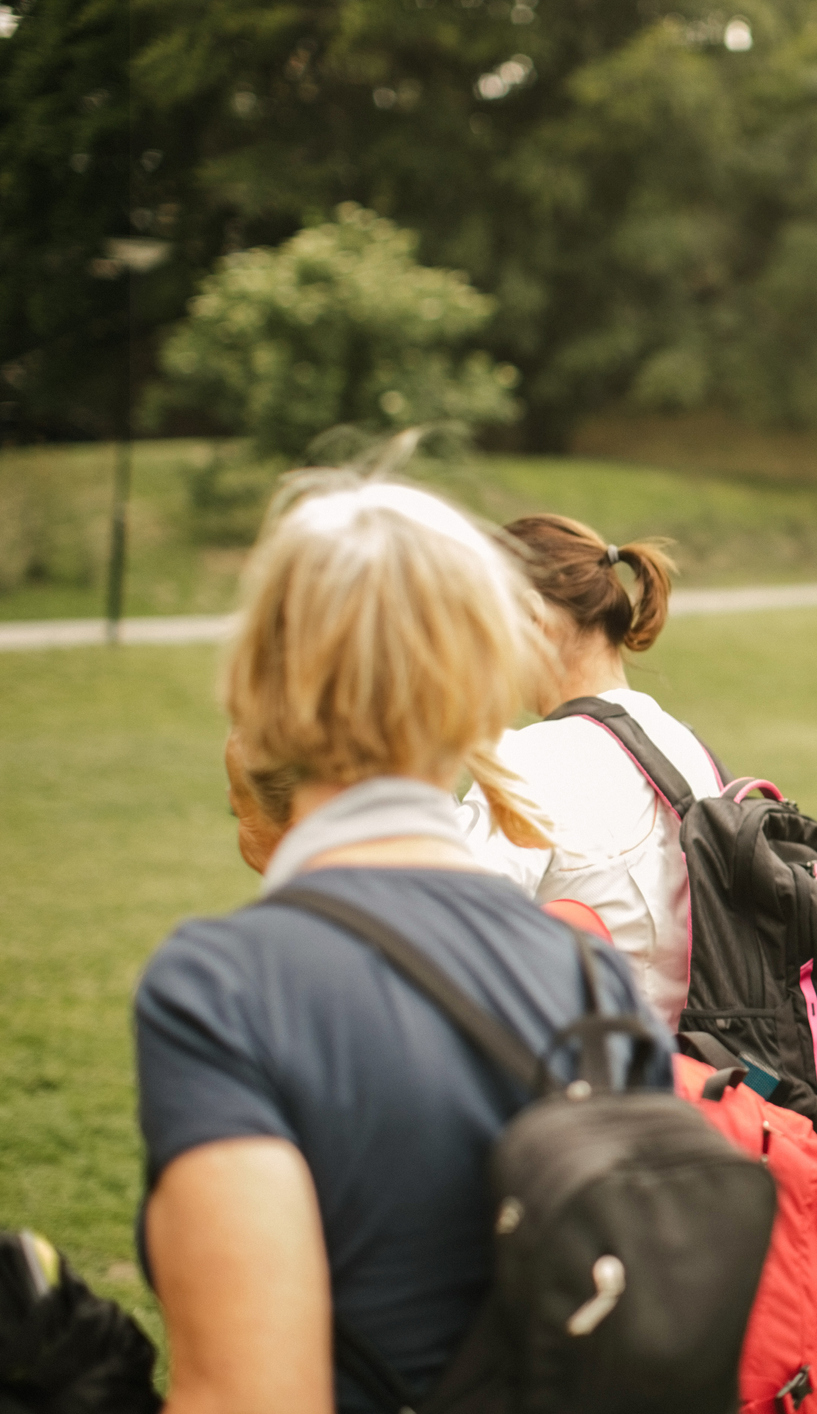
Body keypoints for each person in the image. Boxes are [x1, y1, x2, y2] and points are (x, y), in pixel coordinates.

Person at [135, 476, 671, 1414]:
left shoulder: (222, 987)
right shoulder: (591, 975)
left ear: (258, 688)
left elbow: (251, 1395)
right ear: (477, 687)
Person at [458, 513, 720, 1033]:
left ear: (532, 617)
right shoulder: (686, 749)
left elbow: (439, 934)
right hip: (693, 1084)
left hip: (583, 1088)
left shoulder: (528, 762)